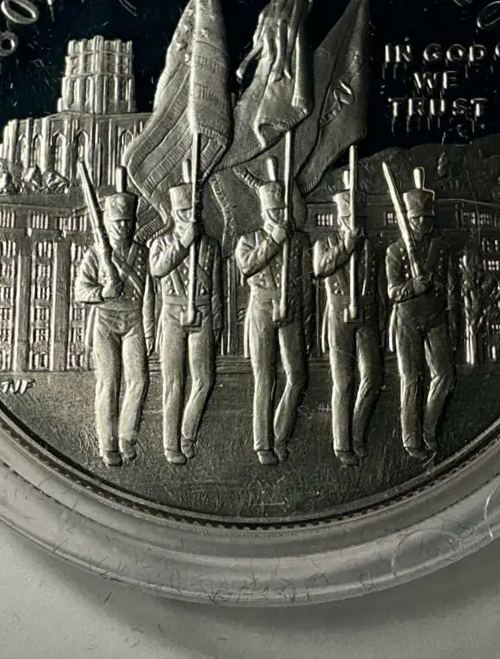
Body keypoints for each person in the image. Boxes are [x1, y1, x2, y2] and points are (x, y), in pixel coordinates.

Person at [73, 189, 154, 466]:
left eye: (128, 222)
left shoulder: (141, 253)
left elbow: (148, 293)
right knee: (109, 383)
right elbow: (80, 290)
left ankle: (127, 436)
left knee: (139, 380)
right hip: (105, 322)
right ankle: (107, 444)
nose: (124, 227)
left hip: (134, 321)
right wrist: (103, 292)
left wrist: (149, 328)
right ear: (108, 222)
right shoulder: (96, 254)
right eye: (118, 222)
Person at [234, 179, 312, 465]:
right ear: (263, 211)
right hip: (262, 308)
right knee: (265, 377)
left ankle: (279, 435)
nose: (279, 214)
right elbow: (247, 265)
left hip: (291, 309)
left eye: (283, 209)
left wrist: (306, 319)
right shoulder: (249, 240)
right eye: (274, 210)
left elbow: (306, 281)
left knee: (297, 376)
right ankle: (262, 444)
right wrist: (274, 240)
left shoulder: (299, 240)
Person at [148, 183, 223, 465]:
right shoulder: (160, 243)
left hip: (202, 311)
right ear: (174, 212)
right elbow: (158, 269)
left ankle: (187, 434)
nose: (190, 215)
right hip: (172, 313)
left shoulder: (210, 245)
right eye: (184, 210)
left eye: (194, 209)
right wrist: (183, 243)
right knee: (173, 382)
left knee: (204, 380)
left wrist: (217, 321)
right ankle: (170, 445)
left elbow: (216, 287)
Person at [385, 168, 457, 458]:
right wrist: (413, 287)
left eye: (427, 217)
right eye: (418, 218)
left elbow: (449, 284)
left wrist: (437, 287)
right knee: (411, 378)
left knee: (445, 375)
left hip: (436, 316)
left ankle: (429, 429)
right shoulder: (395, 251)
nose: (423, 223)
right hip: (407, 319)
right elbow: (392, 291)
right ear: (409, 218)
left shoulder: (441, 248)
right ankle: (410, 440)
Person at [311, 176, 383, 466]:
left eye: (360, 219)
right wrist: (346, 247)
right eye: (351, 218)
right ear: (340, 218)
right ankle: (342, 444)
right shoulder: (325, 243)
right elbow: (320, 268)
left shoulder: (371, 246)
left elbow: (378, 286)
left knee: (373, 377)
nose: (356, 224)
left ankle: (357, 432)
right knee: (343, 380)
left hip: (367, 314)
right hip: (339, 315)